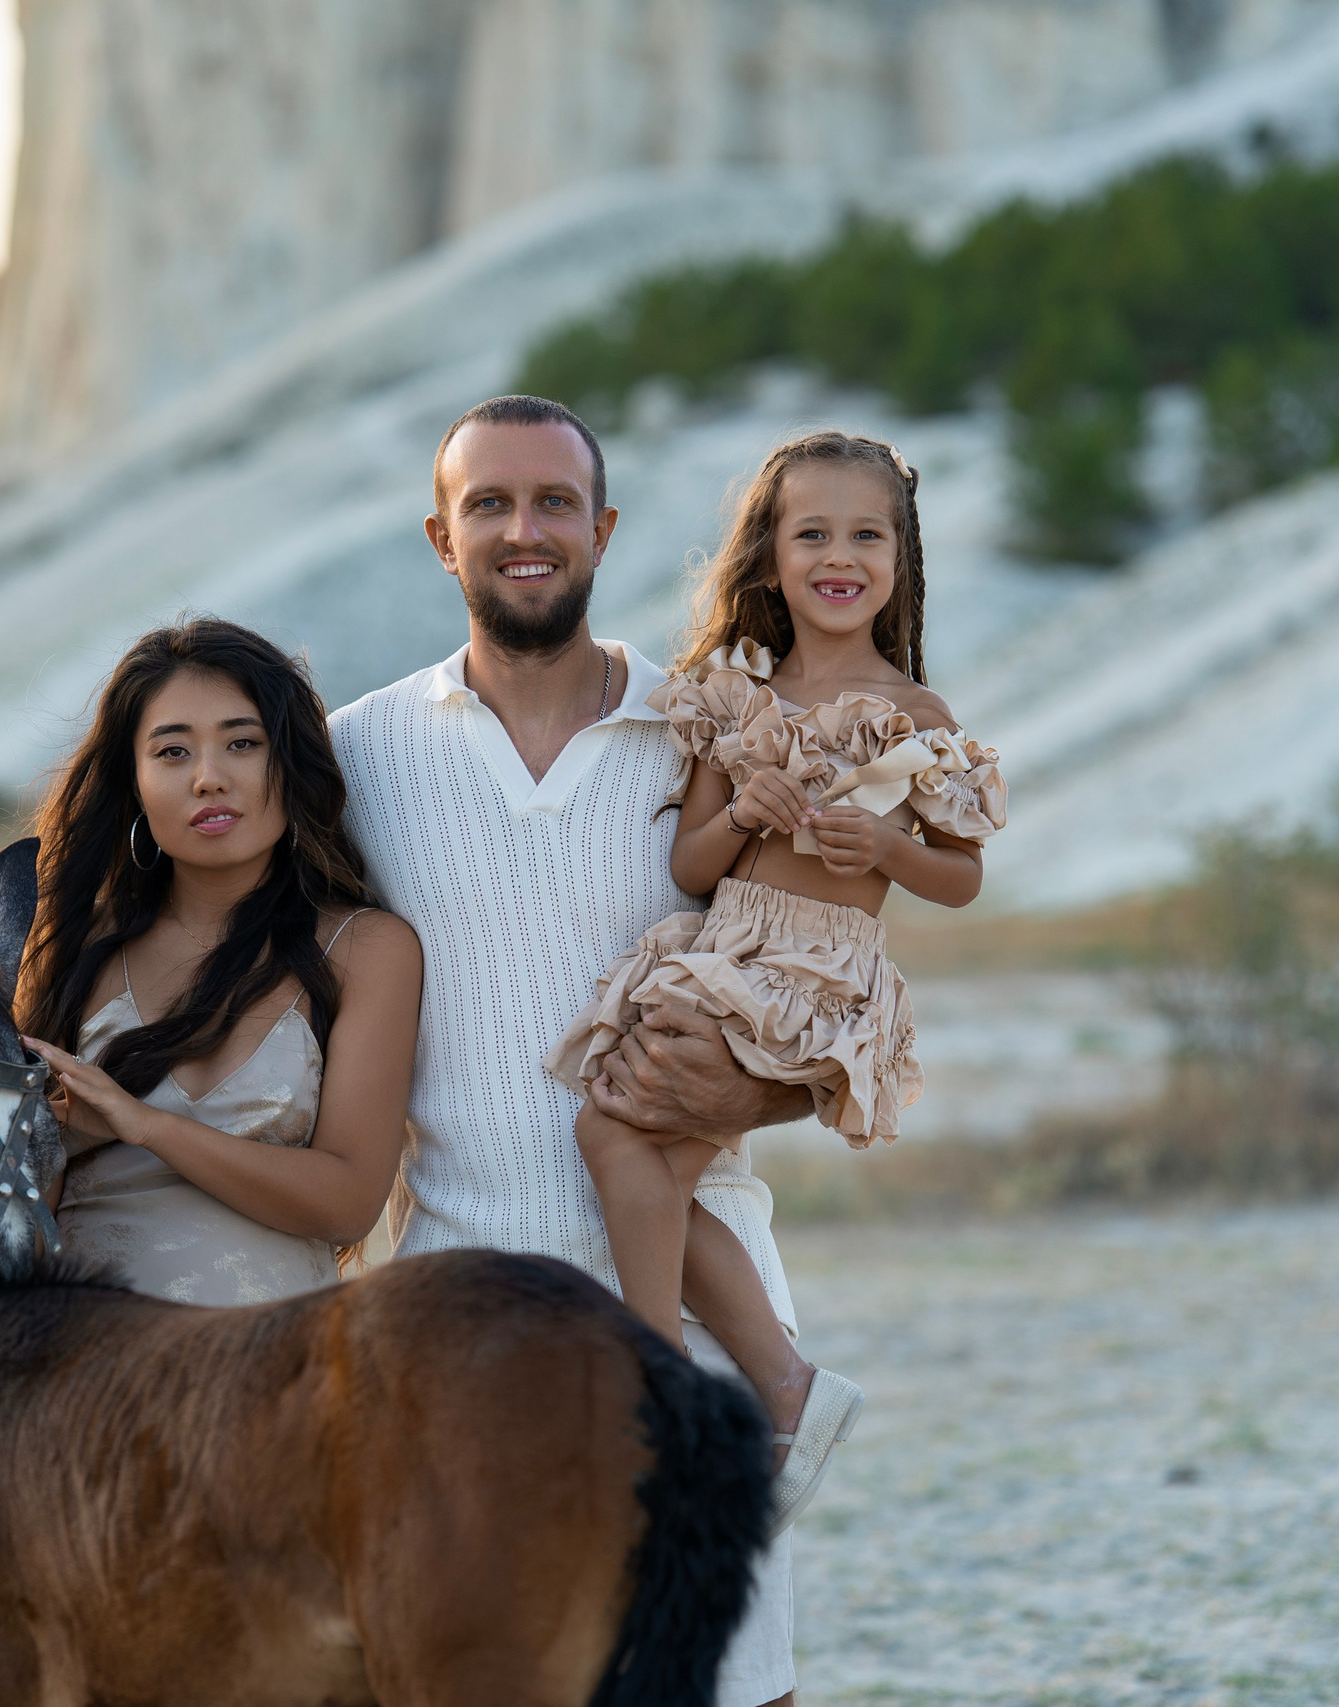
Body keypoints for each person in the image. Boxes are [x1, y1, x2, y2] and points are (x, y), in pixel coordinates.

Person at [331, 395, 807, 1707]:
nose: (522, 529)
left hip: (700, 1309)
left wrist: (749, 1088)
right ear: (442, 535)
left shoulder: (714, 736)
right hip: (456, 1321)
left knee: (727, 1681)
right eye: (490, 502)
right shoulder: (355, 759)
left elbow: (828, 1007)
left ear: (602, 529)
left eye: (553, 503)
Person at [548, 428, 1004, 1523]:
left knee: (615, 1137)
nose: (838, 556)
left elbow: (961, 878)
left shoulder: (915, 717)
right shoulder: (733, 699)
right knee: (637, 1151)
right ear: (767, 558)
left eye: (866, 535)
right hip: (727, 946)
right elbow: (690, 865)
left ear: (901, 559)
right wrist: (742, 809)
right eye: (811, 533)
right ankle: (779, 1387)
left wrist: (886, 852)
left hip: (814, 968)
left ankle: (660, 1389)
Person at [17, 618, 423, 1305]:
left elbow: (350, 1200)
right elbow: (16, 1200)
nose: (209, 778)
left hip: (276, 1367)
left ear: (289, 764)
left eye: (242, 743)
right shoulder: (75, 942)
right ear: (135, 781)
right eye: (172, 752)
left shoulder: (364, 949)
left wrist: (144, 1124)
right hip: (83, 1361)